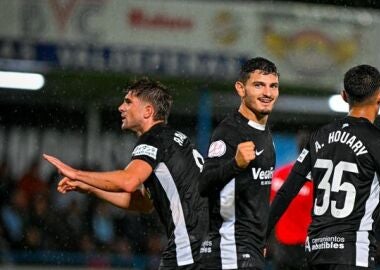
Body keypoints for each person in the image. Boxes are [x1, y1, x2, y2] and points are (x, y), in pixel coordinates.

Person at [43, 77, 208, 269]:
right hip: (207, 245)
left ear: (148, 111)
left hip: (190, 248)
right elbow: (143, 202)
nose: (121, 107)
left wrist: (76, 173)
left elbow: (128, 181)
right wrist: (89, 188)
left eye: (128, 102)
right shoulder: (171, 139)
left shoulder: (153, 139)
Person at [268, 64, 380, 270]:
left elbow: (286, 191)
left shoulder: (319, 136)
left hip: (316, 251)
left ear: (343, 96)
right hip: (353, 252)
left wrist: (261, 236)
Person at [198, 57, 279, 270]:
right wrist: (235, 164)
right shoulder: (229, 132)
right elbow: (204, 184)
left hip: (249, 247)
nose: (267, 93)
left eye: (273, 86)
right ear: (241, 89)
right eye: (258, 85)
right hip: (230, 246)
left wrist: (260, 239)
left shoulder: (264, 132)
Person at [268, 131, 313, 270]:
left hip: (282, 246)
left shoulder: (280, 175)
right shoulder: (317, 182)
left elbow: (268, 209)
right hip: (305, 247)